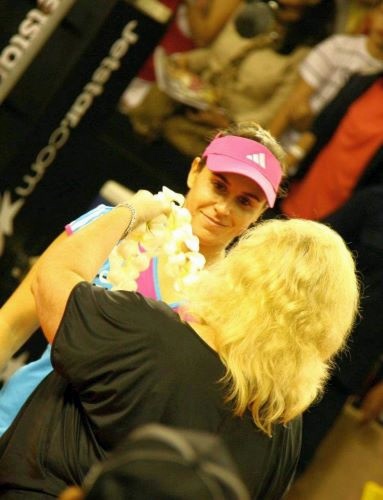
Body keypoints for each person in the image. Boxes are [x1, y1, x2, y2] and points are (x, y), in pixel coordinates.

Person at [0, 190, 359, 498]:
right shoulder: (285, 430)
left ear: (245, 270)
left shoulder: (151, 331)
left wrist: (130, 211)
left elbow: (52, 280)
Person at [0, 122, 285, 436]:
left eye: (245, 202)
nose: (222, 208)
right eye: (219, 185)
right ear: (195, 172)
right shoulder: (114, 227)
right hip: (14, 422)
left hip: (91, 471)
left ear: (258, 216)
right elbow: (12, 323)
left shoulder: (233, 304)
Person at [127, 0, 336, 157]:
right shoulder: (251, 12)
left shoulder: (305, 53)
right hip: (191, 101)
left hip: (223, 130)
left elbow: (273, 113)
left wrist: (227, 122)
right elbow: (214, 56)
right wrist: (186, 62)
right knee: (154, 103)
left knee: (184, 140)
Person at [296, 184, 383, 473]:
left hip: (345, 374)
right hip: (299, 344)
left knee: (295, 460)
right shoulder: (372, 201)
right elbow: (312, 248)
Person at [268, 0, 383, 161]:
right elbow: (292, 105)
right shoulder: (338, 47)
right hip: (284, 149)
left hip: (327, 161)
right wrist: (262, 152)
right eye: (382, 13)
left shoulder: (378, 79)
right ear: (371, 13)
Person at [276, 71, 383, 220]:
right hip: (297, 195)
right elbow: (317, 130)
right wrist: (279, 170)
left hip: (342, 220)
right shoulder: (361, 83)